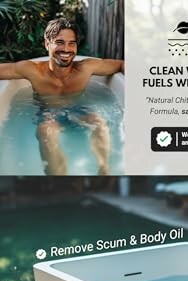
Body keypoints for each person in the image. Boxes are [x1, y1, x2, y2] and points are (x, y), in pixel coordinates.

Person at [0, 18, 124, 175]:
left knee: (99, 122)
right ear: (47, 44)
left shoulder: (86, 68)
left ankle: (104, 169)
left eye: (71, 43)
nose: (66, 49)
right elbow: (4, 70)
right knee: (45, 130)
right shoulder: (33, 70)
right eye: (59, 42)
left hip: (79, 111)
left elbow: (120, 65)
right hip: (48, 113)